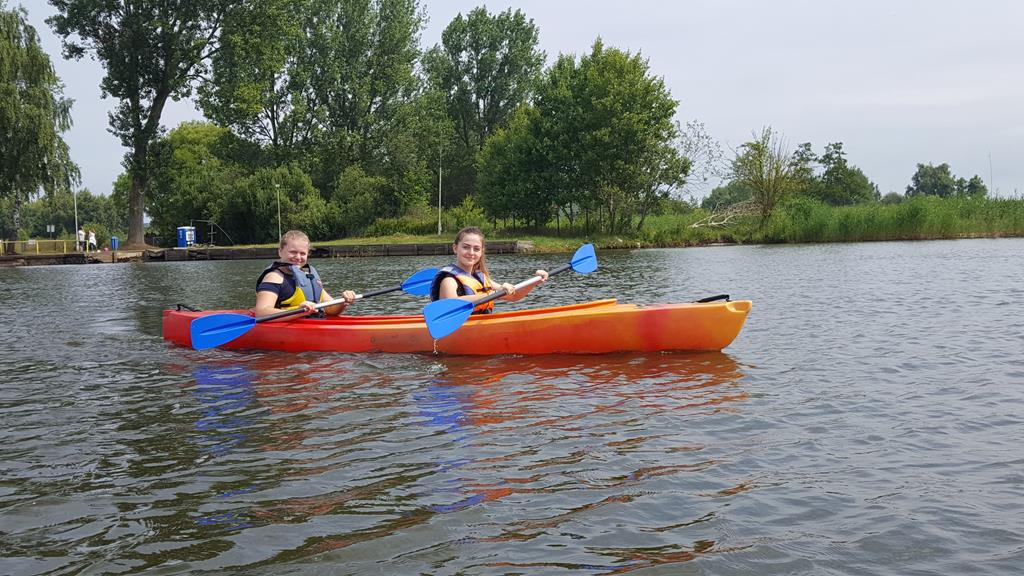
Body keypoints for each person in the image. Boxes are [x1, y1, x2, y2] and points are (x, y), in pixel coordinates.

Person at [430, 226, 548, 314]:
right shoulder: (449, 280)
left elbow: (514, 296)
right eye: (466, 247)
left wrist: (534, 281)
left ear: (481, 252)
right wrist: (493, 294)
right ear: (455, 248)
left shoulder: (482, 278)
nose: (471, 253)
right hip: (460, 330)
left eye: (476, 249)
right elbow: (448, 305)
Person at [255, 230, 356, 319]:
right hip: (286, 331)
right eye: (293, 252)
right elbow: (261, 313)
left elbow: (330, 309)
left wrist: (344, 301)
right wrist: (299, 311)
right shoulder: (274, 276)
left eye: (302, 253)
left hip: (314, 326)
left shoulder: (308, 276)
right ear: (280, 252)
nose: (298, 257)